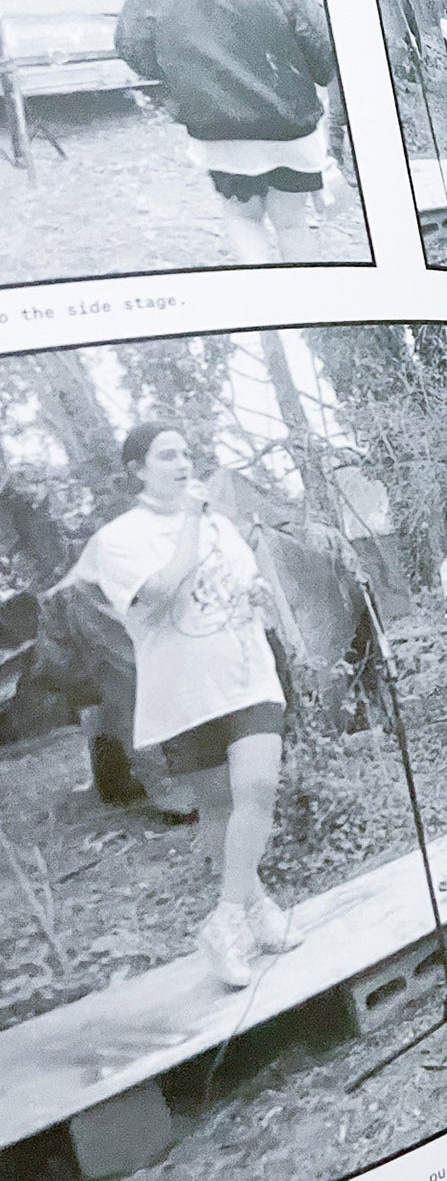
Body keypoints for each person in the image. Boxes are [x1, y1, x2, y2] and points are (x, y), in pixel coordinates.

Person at [82, 423, 297, 988]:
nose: (182, 464)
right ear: (137, 469)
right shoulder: (118, 539)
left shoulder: (220, 525)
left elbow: (245, 585)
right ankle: (256, 908)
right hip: (185, 694)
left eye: (185, 454)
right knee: (219, 808)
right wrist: (193, 524)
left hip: (247, 678)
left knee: (258, 787)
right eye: (167, 455)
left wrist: (257, 595)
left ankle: (225, 921)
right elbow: (157, 593)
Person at [116, 0, 337, 265]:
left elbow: (132, 46)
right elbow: (321, 57)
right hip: (289, 125)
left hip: (217, 126)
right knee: (292, 224)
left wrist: (184, 77)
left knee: (242, 218)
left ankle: (266, 302)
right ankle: (304, 303)